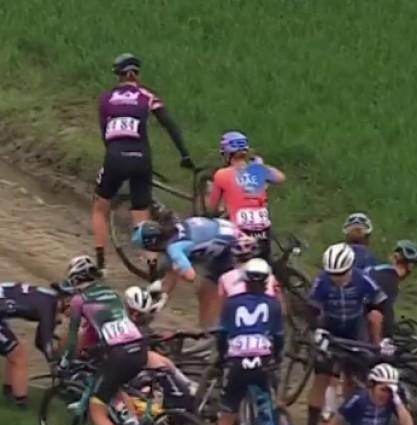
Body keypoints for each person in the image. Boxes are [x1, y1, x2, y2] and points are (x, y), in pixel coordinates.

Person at [91, 53, 194, 269]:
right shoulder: (147, 95)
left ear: (118, 75)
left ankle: (100, 263)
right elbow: (169, 125)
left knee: (100, 207)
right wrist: (185, 155)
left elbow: (105, 133)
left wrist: (113, 156)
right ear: (137, 74)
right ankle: (151, 267)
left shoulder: (106, 98)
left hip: (115, 157)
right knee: (142, 213)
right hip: (141, 158)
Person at [58, 255, 149, 425]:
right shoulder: (112, 293)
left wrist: (64, 363)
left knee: (96, 407)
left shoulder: (79, 300)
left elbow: (72, 340)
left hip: (118, 353)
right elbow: (100, 325)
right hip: (139, 349)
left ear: (76, 279)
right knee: (113, 383)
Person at [303, 243, 388, 425]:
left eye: (341, 273)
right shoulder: (321, 281)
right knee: (321, 377)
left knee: (353, 379)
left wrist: (381, 333)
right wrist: (316, 328)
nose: (337, 278)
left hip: (354, 330)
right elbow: (311, 308)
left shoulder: (363, 279)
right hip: (331, 330)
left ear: (350, 268)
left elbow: (381, 303)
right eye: (332, 273)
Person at [213, 259, 288, 425]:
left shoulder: (231, 303)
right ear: (266, 282)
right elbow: (279, 337)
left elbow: (222, 335)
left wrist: (221, 356)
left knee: (227, 416)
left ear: (244, 280)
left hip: (237, 362)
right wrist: (278, 356)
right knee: (273, 396)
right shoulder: (273, 304)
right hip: (263, 360)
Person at [0, 279, 60, 409]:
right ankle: (20, 402)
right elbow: (44, 343)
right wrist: (56, 365)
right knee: (19, 356)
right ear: (65, 301)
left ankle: (9, 390)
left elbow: (41, 340)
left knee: (14, 350)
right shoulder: (49, 307)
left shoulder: (47, 296)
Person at [133, 216, 238, 332]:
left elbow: (190, 276)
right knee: (206, 291)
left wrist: (180, 268)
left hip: (232, 245)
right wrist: (163, 295)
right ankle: (206, 331)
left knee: (214, 292)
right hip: (227, 231)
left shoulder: (174, 248)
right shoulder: (175, 229)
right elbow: (172, 273)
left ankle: (210, 332)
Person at [206, 131, 285, 261]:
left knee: (223, 267)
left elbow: (211, 208)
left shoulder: (221, 174)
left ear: (226, 154)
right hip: (263, 229)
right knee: (264, 265)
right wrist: (262, 167)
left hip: (239, 232)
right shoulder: (257, 170)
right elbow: (281, 178)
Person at [367, 239, 417, 341]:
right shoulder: (390, 279)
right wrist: (388, 336)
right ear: (411, 266)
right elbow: (386, 310)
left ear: (394, 258)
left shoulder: (378, 270)